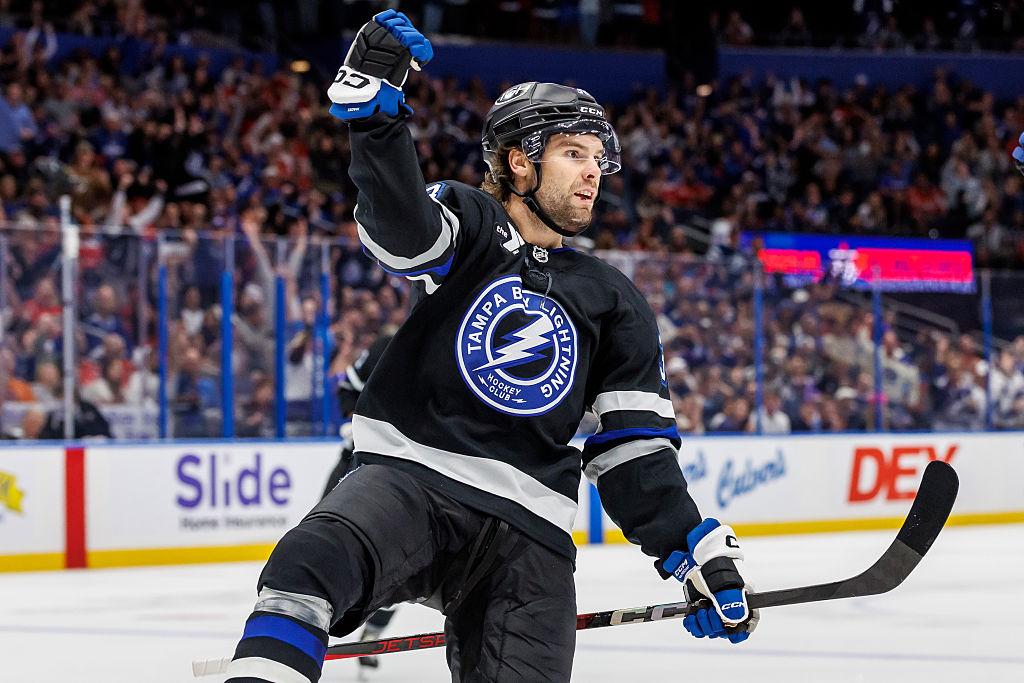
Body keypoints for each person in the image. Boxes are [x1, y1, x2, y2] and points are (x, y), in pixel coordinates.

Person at [224, 11, 758, 683]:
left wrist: (689, 549)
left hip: (530, 532)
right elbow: (404, 231)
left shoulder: (613, 299)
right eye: (574, 153)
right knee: (309, 564)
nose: (593, 173)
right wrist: (374, 119)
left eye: (598, 159)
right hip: (413, 480)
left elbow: (632, 453)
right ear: (518, 161)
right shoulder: (473, 224)